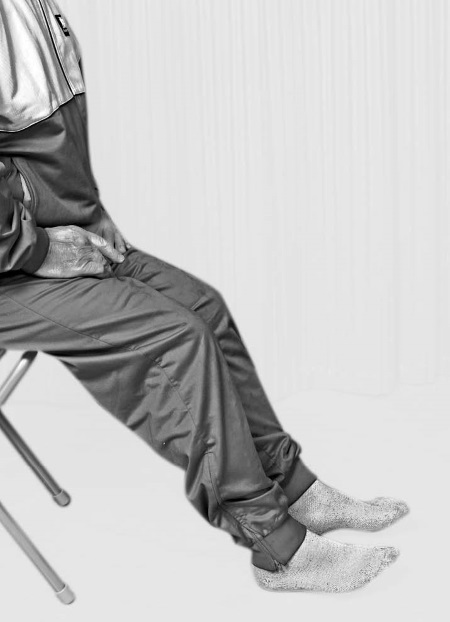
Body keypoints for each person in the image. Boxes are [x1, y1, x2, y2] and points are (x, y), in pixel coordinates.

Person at [0, 0, 408, 593]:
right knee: (175, 339)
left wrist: (80, 212)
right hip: (12, 264)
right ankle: (276, 547)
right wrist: (33, 249)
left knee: (202, 309)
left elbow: (39, 136)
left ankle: (295, 490)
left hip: (42, 232)